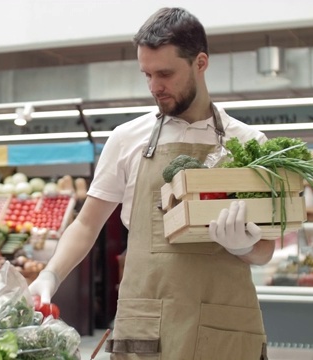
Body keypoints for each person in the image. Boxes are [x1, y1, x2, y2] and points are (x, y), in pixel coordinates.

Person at [28, 7, 274, 360]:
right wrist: (51, 274)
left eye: (165, 73)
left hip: (225, 329)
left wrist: (243, 247)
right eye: (147, 74)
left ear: (200, 63)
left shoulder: (249, 143)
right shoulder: (127, 139)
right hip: (147, 331)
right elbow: (86, 223)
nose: (155, 87)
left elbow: (266, 248)